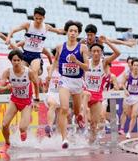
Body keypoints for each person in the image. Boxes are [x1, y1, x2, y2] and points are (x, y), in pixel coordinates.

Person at [49, 20, 89, 149]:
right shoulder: (60, 47)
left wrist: (76, 61)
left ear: (78, 34)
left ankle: (79, 119)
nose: (72, 33)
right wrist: (50, 73)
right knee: (64, 109)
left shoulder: (83, 48)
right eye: (70, 31)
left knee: (77, 112)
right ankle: (64, 139)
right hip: (64, 80)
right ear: (67, 32)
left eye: (75, 31)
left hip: (77, 83)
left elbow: (87, 67)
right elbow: (55, 61)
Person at [6, 6, 65, 87]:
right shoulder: (28, 25)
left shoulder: (46, 27)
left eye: (40, 19)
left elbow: (58, 31)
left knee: (33, 72)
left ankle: (35, 94)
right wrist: (8, 37)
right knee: (22, 73)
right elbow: (13, 30)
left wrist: (68, 29)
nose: (38, 21)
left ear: (44, 17)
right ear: (33, 16)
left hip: (36, 55)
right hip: (25, 54)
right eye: (36, 18)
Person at [0, 49, 40, 153]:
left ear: (21, 61)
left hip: (26, 102)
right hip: (14, 101)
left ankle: (24, 133)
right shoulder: (7, 72)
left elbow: (36, 84)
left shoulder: (28, 72)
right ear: (11, 61)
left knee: (22, 128)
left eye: (18, 60)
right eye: (14, 60)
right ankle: (7, 144)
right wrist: (7, 87)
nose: (16, 62)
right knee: (4, 124)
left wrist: (37, 100)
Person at [82, 36, 121, 144]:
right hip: (86, 93)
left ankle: (90, 143)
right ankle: (82, 122)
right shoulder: (86, 62)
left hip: (98, 96)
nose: (95, 53)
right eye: (93, 51)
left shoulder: (104, 63)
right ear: (90, 52)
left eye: (98, 51)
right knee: (86, 100)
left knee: (94, 123)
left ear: (101, 53)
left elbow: (118, 53)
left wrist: (107, 41)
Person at [119, 58, 138, 139]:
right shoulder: (127, 75)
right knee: (127, 113)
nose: (135, 67)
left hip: (137, 97)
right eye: (134, 65)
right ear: (132, 66)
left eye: (137, 65)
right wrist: (125, 90)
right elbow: (122, 84)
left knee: (133, 115)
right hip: (129, 96)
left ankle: (129, 132)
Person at [44, 65, 61, 137]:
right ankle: (49, 127)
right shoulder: (50, 68)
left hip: (62, 94)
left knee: (60, 117)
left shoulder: (65, 68)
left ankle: (58, 137)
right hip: (52, 93)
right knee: (52, 104)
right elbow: (48, 79)